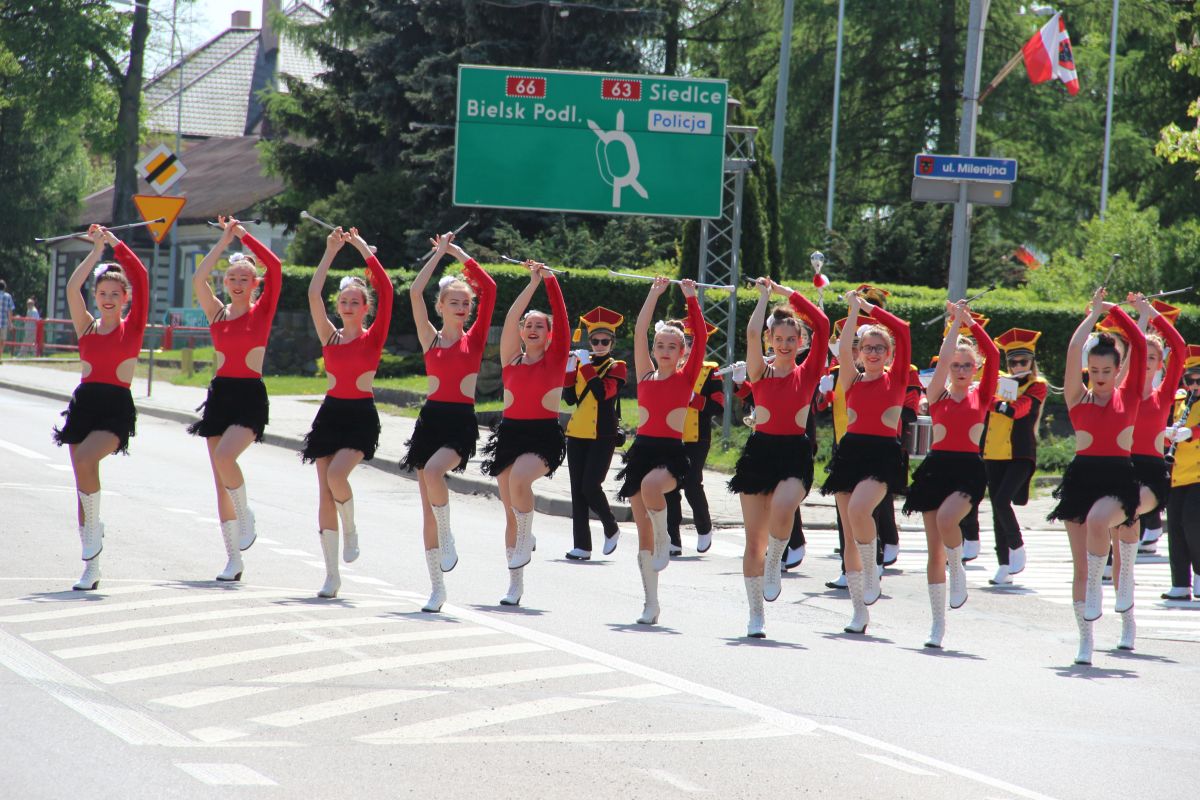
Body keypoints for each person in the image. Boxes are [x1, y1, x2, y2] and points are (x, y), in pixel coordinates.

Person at [1050, 288, 1147, 666]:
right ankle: (1085, 641)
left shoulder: (1131, 394)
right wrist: (1093, 314)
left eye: (1108, 371)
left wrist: (1117, 312)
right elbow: (1074, 349)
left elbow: (1139, 343)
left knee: (1100, 525)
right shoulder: (1078, 397)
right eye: (1095, 371)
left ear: (1118, 370)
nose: (1101, 377)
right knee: (1079, 566)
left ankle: (1112, 603)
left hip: (1118, 478)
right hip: (1081, 478)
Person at [729, 278, 828, 638]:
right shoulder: (760, 372)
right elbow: (752, 333)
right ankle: (756, 615)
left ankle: (776, 560)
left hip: (794, 454)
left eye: (791, 339)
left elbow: (823, 324)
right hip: (760, 453)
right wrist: (764, 298)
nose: (784, 345)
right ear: (771, 340)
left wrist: (788, 294)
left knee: (785, 506)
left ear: (800, 342)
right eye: (779, 339)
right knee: (752, 542)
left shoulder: (809, 371)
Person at [402, 233, 495, 613]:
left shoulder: (474, 339)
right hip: (430, 421)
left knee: (434, 472)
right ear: (440, 306)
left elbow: (489, 287)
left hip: (459, 421)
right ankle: (437, 590)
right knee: (426, 507)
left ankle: (448, 533)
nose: (460, 307)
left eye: (465, 303)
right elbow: (414, 291)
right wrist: (439, 254)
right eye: (453, 302)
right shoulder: (430, 338)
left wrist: (458, 252)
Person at [52, 225, 147, 590]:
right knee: (82, 483)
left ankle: (94, 534)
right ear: (95, 296)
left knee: (85, 459)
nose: (108, 298)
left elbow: (141, 275)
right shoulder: (86, 327)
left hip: (114, 408)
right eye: (103, 293)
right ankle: (91, 567)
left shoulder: (132, 328)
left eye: (115, 294)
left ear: (125, 298)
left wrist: (115, 244)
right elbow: (70, 288)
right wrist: (95, 251)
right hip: (84, 405)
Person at [188, 217, 281, 581]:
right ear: (225, 283)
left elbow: (275, 267)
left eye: (245, 279)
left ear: (255, 285)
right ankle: (233, 559)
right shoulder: (217, 312)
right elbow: (199, 279)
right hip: (220, 395)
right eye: (232, 279)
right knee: (219, 480)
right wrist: (225, 240)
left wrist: (245, 236)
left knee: (226, 456)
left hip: (249, 395)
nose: (238, 284)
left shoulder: (262, 311)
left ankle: (246, 515)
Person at [302, 227, 393, 599]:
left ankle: (351, 527)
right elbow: (313, 294)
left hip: (360, 415)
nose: (349, 306)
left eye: (356, 301)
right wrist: (330, 251)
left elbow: (387, 290)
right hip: (330, 414)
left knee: (337, 475)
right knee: (324, 494)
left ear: (365, 308)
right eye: (344, 301)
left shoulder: (373, 336)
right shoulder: (330, 336)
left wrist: (361, 248)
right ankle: (331, 576)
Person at [902, 303, 998, 648]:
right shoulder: (937, 395)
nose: (960, 370)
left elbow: (993, 354)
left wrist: (970, 323)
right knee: (933, 553)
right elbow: (942, 361)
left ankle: (957, 567)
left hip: (968, 469)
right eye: (956, 365)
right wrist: (955, 325)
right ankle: (937, 625)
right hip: (936, 468)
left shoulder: (982, 394)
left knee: (947, 520)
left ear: (976, 368)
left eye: (967, 365)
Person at [821, 289, 911, 634]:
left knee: (860, 511)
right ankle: (859, 612)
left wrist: (869, 308)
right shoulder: (851, 379)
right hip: (850, 453)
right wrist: (851, 313)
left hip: (882, 454)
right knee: (848, 535)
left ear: (889, 354)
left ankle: (874, 567)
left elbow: (902, 330)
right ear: (859, 353)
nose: (872, 353)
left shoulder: (897, 377)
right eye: (867, 348)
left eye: (879, 348)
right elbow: (843, 347)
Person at [618, 276, 707, 625]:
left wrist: (691, 298)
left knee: (652, 487)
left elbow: (701, 337)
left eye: (672, 346)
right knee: (641, 537)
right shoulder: (645, 375)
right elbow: (639, 331)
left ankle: (665, 534)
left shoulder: (685, 378)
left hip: (670, 453)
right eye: (660, 345)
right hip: (641, 452)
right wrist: (654, 294)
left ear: (682, 353)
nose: (665, 350)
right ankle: (650, 603)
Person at [480, 261, 569, 606]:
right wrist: (532, 282)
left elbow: (562, 320)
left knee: (520, 479)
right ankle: (514, 585)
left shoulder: (555, 358)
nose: (532, 329)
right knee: (509, 513)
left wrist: (550, 281)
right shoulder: (511, 359)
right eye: (528, 325)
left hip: (542, 436)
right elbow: (511, 317)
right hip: (510, 435)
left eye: (539, 326)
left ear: (548, 334)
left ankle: (527, 535)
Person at [1112, 300, 1186, 648]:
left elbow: (1180, 348)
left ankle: (1127, 613)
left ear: (1160, 364)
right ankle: (1127, 622)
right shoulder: (1122, 392)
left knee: (1128, 517)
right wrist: (1125, 315)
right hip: (1120, 467)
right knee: (1118, 552)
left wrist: (1153, 314)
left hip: (1152, 473)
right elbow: (1132, 350)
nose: (1148, 362)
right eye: (1144, 356)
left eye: (1154, 357)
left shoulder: (1165, 393)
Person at [981, 328, 1048, 586]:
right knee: (996, 508)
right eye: (1013, 362)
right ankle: (1004, 564)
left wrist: (995, 401)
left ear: (1032, 362)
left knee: (1001, 501)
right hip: (994, 452)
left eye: (1023, 361)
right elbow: (984, 401)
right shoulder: (1000, 382)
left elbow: (1018, 410)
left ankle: (1017, 545)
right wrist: (994, 398)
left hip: (1020, 452)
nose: (1018, 366)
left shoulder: (1037, 385)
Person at [563, 307, 627, 561]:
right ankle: (582, 546)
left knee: (590, 486)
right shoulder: (581, 363)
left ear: (612, 343)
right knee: (577, 491)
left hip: (603, 433)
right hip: (577, 432)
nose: (599, 345)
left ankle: (610, 526)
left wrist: (586, 365)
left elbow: (602, 393)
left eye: (604, 341)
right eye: (595, 341)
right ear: (589, 341)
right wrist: (570, 369)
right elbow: (570, 399)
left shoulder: (617, 366)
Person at [665, 319, 721, 556]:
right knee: (669, 487)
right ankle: (672, 539)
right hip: (670, 434)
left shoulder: (710, 370)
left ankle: (704, 527)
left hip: (697, 437)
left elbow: (718, 407)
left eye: (691, 342)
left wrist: (694, 399)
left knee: (691, 483)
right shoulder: (668, 368)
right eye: (683, 342)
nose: (686, 347)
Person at [1163, 346, 1200, 600]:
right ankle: (1179, 583)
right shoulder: (1179, 401)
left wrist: (1192, 432)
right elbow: (1162, 426)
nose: (1194, 385)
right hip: (1178, 472)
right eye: (1190, 380)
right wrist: (1168, 434)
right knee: (1175, 527)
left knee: (1193, 523)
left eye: (1199, 380)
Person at [0, 278, 14, 362]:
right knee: (2, 341)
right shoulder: (8, 296)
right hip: (3, 322)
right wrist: (10, 323)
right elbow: (9, 311)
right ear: (4, 287)